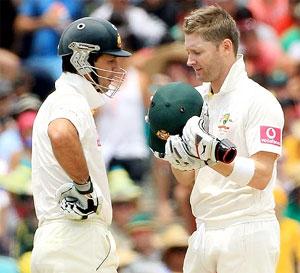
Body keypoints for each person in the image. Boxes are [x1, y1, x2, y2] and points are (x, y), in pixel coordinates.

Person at [150, 6, 284, 273]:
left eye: (197, 52)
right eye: (188, 51)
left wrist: (211, 156)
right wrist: (180, 157)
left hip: (247, 229)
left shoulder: (258, 100)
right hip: (204, 228)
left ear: (225, 47)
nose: (189, 61)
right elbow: (186, 179)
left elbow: (262, 176)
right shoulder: (193, 100)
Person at [30, 17, 131, 273]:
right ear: (81, 59)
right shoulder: (70, 99)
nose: (115, 70)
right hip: (76, 240)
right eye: (110, 61)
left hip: (62, 240)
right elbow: (61, 134)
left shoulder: (63, 99)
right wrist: (84, 188)